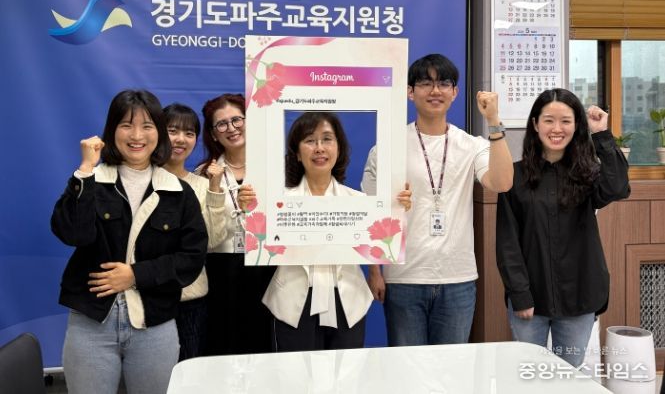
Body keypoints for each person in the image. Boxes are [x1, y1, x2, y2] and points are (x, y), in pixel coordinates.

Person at [51, 90, 207, 394]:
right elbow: (73, 233)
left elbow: (191, 258)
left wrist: (135, 275)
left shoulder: (178, 192)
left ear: (158, 132)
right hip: (91, 322)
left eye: (147, 126)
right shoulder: (92, 180)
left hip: (155, 323)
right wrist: (85, 170)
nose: (137, 136)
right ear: (112, 130)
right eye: (126, 125)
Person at [362, 53, 513, 346]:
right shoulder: (388, 147)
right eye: (425, 83)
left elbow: (502, 182)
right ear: (410, 91)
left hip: (457, 279)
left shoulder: (471, 145)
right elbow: (371, 214)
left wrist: (493, 121)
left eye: (444, 83)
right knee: (407, 367)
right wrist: (375, 271)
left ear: (454, 92)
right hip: (404, 278)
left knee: (451, 368)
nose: (435, 91)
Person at [496, 88, 630, 367]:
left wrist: (601, 134)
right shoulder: (514, 175)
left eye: (566, 121)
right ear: (535, 124)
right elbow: (507, 242)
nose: (557, 129)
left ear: (576, 125)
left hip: (579, 296)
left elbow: (618, 188)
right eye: (549, 120)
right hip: (530, 299)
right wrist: (520, 294)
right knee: (529, 377)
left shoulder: (588, 173)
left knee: (569, 377)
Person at [263, 111, 411, 351]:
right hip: (293, 303)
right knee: (295, 373)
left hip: (348, 301)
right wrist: (250, 208)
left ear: (339, 148)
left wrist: (398, 209)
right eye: (310, 140)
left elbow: (383, 244)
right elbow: (259, 245)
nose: (319, 148)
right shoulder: (278, 204)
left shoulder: (359, 202)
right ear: (297, 153)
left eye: (327, 139)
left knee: (345, 373)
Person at [198, 93, 275, 355]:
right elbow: (206, 234)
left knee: (265, 345)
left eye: (237, 120)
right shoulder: (204, 174)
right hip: (222, 270)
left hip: (267, 267)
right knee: (223, 345)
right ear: (213, 134)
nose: (231, 128)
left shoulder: (277, 168)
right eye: (221, 124)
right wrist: (215, 187)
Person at [162, 103, 228, 360]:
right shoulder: (144, 180)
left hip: (192, 297)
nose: (181, 139)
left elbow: (212, 240)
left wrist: (215, 189)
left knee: (190, 367)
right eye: (173, 131)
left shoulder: (201, 185)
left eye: (189, 133)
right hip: (149, 294)